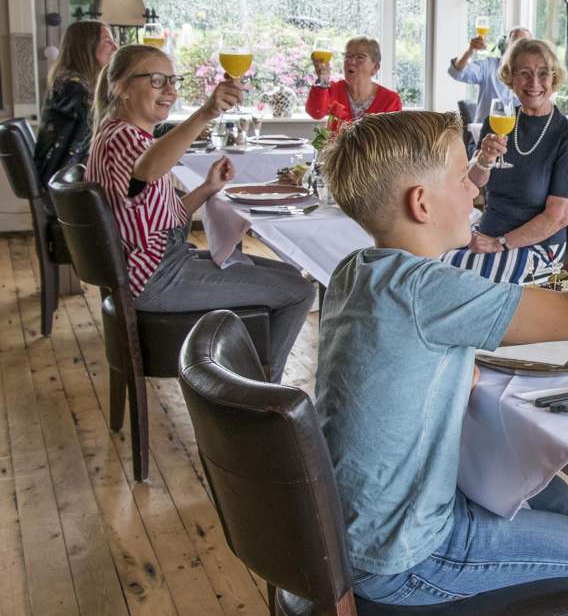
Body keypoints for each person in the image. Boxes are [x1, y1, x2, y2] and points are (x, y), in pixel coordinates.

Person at [315, 110, 568, 616]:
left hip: (348, 532)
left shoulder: (357, 270)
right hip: (406, 555)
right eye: (462, 175)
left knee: (552, 500)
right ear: (420, 203)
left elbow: (421, 370)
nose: (477, 191)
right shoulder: (429, 290)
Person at [86, 44, 315, 384]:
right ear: (119, 86)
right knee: (300, 292)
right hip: (156, 277)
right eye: (157, 80)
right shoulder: (125, 138)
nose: (170, 91)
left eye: (173, 81)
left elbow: (163, 215)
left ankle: (250, 382)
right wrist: (206, 111)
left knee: (293, 279)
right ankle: (263, 398)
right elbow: (146, 170)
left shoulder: (123, 136)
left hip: (159, 267)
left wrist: (208, 187)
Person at [442, 38, 568, 284]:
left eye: (543, 74)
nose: (534, 83)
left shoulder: (567, 137)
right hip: (486, 235)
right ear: (511, 77)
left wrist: (500, 243)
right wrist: (484, 159)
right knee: (429, 259)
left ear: (554, 78)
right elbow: (471, 184)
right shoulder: (499, 121)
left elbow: (559, 217)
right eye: (524, 74)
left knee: (456, 276)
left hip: (538, 249)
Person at [33, 20, 118, 186]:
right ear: (86, 46)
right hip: (66, 187)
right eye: (108, 41)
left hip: (63, 182)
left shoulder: (69, 81)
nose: (115, 48)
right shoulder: (74, 88)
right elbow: (108, 129)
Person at [306, 35, 401, 132]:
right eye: (347, 56)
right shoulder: (333, 89)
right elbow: (316, 113)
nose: (351, 61)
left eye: (360, 57)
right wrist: (323, 80)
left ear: (375, 67)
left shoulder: (390, 100)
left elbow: (391, 140)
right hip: (337, 148)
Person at [448, 25, 532, 121]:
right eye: (515, 41)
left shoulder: (533, 76)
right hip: (486, 133)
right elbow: (457, 71)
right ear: (505, 44)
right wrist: (470, 50)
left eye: (524, 43)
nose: (519, 47)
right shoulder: (488, 66)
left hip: (518, 133)